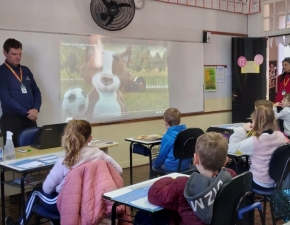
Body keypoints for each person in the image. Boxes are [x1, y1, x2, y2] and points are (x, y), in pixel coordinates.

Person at [5, 119, 122, 225]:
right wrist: (92, 184)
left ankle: (19, 224)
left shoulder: (66, 160)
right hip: (92, 202)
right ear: (90, 138)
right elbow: (118, 170)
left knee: (36, 191)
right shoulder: (99, 154)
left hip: (70, 203)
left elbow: (47, 188)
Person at [145, 132, 235, 225]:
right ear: (225, 161)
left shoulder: (182, 186)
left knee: (144, 216)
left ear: (195, 159)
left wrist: (171, 179)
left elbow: (153, 194)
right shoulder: (231, 177)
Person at [228, 106, 286, 190]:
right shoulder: (280, 136)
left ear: (257, 122)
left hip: (260, 182)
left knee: (234, 168)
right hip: (277, 181)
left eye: (253, 120)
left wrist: (242, 129)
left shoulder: (255, 141)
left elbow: (232, 148)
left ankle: (245, 200)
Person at [0, 38, 42, 147]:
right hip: (12, 119)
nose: (18, 57)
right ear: (5, 53)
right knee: (14, 154)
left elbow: (36, 92)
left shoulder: (26, 70)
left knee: (34, 150)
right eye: (14, 54)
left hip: (30, 119)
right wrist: (27, 113)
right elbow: (6, 99)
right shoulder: (2, 72)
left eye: (20, 54)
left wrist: (36, 109)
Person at [153, 108, 188, 172]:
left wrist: (155, 166)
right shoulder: (186, 133)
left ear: (166, 123)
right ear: (179, 121)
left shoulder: (167, 137)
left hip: (172, 167)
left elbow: (162, 156)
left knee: (153, 162)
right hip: (186, 165)